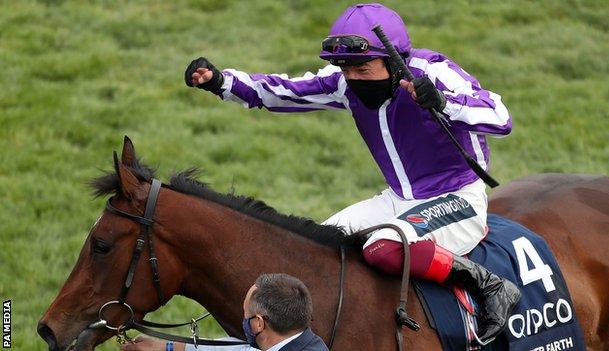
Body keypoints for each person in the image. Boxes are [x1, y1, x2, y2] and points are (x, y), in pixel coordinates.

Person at [184, 3, 519, 344]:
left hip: (458, 196)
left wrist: (446, 103)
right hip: (399, 200)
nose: (353, 79)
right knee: (319, 249)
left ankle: (489, 284)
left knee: (383, 247)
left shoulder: (432, 71)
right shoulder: (345, 84)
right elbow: (283, 90)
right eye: (346, 69)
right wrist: (222, 82)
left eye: (363, 69)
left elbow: (500, 117)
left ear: (392, 59)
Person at [121, 273, 328, 351]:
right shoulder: (304, 342)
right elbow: (234, 349)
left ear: (258, 324)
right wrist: (165, 347)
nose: (243, 320)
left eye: (245, 313)